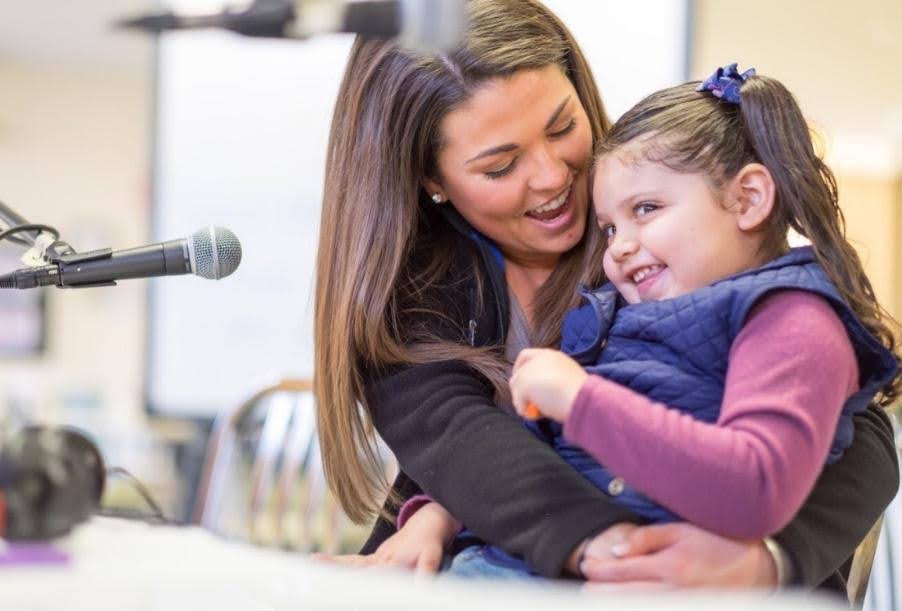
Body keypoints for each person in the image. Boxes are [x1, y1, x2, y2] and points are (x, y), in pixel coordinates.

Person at [313, 0, 898, 592]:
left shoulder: (667, 236)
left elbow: (855, 430)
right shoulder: (406, 301)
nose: (550, 175)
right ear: (430, 180)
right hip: (515, 556)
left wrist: (768, 560)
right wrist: (437, 514)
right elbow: (471, 451)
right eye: (500, 166)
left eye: (563, 127)